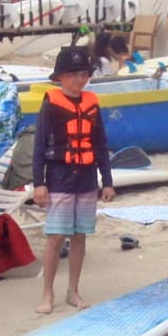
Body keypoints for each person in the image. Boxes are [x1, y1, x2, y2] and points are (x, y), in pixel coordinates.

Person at [32, 45, 116, 314]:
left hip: (87, 180)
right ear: (60, 77)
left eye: (83, 74)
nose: (79, 79)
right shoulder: (50, 105)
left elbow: (100, 144)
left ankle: (73, 290)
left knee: (80, 236)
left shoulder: (92, 103)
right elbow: (39, 146)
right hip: (60, 178)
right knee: (56, 236)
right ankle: (47, 293)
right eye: (73, 74)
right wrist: (39, 183)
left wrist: (108, 180)